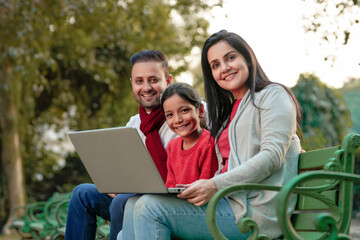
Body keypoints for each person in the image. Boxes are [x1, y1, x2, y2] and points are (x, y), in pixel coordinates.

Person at [118, 30, 302, 240]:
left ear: (248, 58)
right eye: (215, 65)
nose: (224, 68)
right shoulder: (228, 112)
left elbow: (272, 156)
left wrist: (215, 185)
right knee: (133, 204)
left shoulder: (272, 95)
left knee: (149, 208)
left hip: (253, 214)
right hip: (226, 203)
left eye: (230, 58)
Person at [65, 50, 177, 240]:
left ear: (168, 80)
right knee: (82, 193)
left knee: (123, 200)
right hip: (131, 197)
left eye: (153, 79)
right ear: (132, 83)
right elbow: (124, 167)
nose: (146, 87)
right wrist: (113, 183)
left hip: (167, 200)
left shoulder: (184, 116)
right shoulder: (133, 123)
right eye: (139, 81)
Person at [160, 83, 218, 188]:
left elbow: (205, 188)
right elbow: (170, 185)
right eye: (170, 115)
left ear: (200, 110)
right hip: (176, 201)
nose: (177, 120)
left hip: (200, 201)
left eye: (184, 110)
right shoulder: (172, 147)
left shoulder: (209, 143)